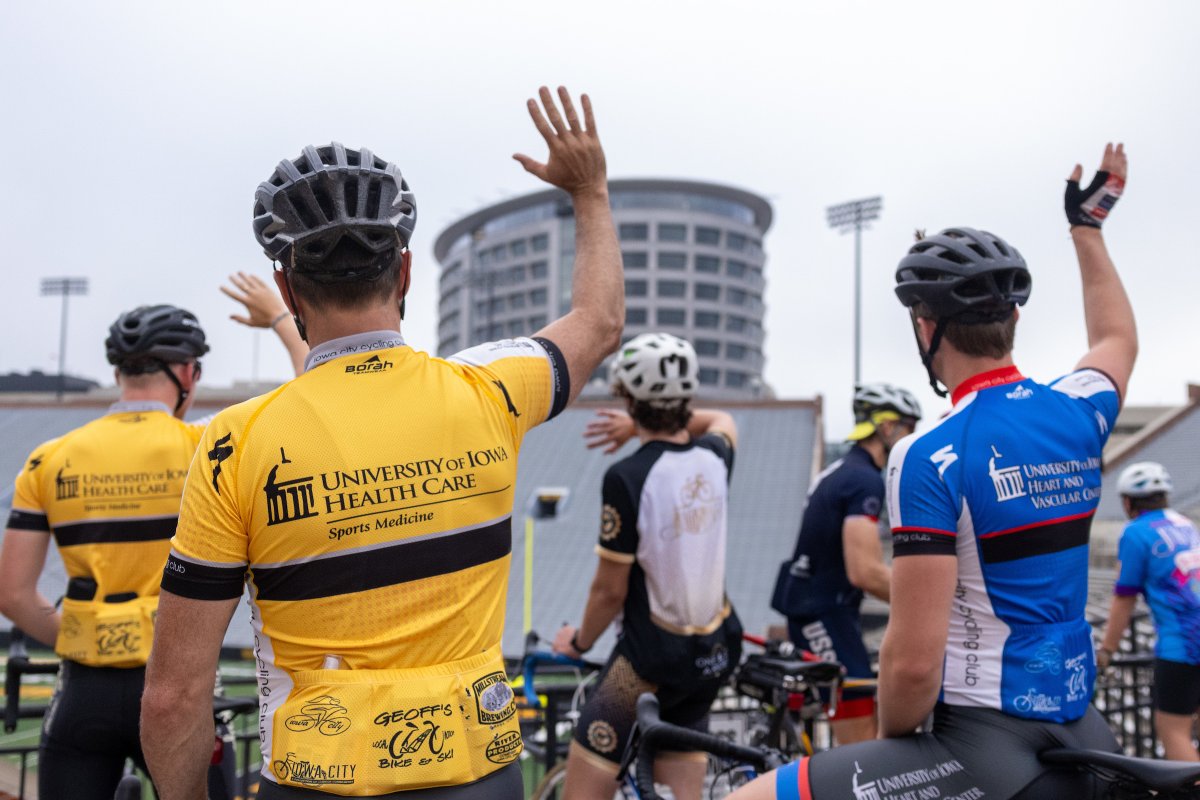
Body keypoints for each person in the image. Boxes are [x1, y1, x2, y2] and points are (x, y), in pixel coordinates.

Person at [140, 86, 623, 800]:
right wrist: (590, 190)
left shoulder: (231, 444)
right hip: (479, 773)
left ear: (287, 286)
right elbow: (599, 320)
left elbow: (174, 695)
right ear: (402, 274)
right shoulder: (489, 389)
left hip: (314, 780)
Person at [731, 143, 1137, 799]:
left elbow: (914, 662)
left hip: (986, 740)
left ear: (926, 327)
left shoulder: (929, 453)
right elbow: (1117, 340)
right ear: (1014, 318)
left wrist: (897, 738)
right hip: (1085, 732)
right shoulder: (1079, 411)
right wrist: (1087, 229)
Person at [0, 276, 304, 800]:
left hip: (82, 691)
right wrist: (279, 318)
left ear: (118, 373)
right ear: (187, 374)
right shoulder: (206, 444)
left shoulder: (48, 458)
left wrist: (84, 639)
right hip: (180, 686)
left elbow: (13, 595)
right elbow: (309, 396)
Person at [552, 332, 742, 800]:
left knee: (584, 783)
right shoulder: (715, 458)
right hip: (713, 654)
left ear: (629, 400)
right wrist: (642, 424)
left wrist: (578, 643)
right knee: (679, 785)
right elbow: (722, 419)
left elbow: (608, 592)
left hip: (646, 662)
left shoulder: (628, 477)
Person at [771, 383, 921, 744]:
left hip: (817, 605)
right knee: (860, 741)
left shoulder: (842, 470)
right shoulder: (864, 480)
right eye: (909, 429)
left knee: (868, 714)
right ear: (887, 428)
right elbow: (865, 571)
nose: (911, 439)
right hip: (821, 613)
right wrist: (929, 604)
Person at [1098, 461, 1200, 761]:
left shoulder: (1136, 533)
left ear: (1128, 502)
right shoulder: (1184, 523)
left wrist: (1107, 650)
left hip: (1182, 646)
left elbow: (1124, 597)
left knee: (1173, 731)